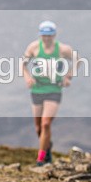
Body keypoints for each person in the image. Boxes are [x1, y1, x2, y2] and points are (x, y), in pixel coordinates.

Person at [22, 21, 73, 166]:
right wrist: (27, 77)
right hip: (37, 89)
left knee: (45, 124)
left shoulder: (63, 49)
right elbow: (23, 64)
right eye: (44, 36)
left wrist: (68, 76)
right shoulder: (33, 48)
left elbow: (78, 60)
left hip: (54, 89)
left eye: (49, 36)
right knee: (38, 127)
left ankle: (41, 158)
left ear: (54, 35)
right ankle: (47, 148)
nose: (46, 39)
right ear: (40, 36)